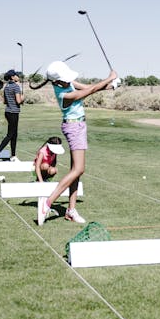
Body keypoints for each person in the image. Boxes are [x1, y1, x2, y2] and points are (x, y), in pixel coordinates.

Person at [37, 60, 118, 226]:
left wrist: (112, 85)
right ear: (57, 81)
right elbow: (89, 91)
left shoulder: (66, 82)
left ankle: (70, 210)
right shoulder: (64, 95)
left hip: (78, 126)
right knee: (80, 168)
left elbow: (89, 87)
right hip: (74, 128)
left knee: (76, 171)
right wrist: (109, 77)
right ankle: (48, 203)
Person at [0, 70, 24, 160]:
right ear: (12, 77)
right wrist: (23, 98)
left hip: (8, 112)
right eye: (16, 75)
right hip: (13, 112)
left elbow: (4, 101)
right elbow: (19, 101)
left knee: (14, 134)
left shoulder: (6, 87)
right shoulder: (16, 87)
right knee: (10, 134)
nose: (17, 76)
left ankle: (13, 155)